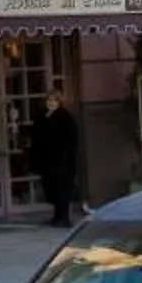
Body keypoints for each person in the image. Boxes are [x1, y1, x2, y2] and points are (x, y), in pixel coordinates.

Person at [37, 88, 79, 226]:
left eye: (54, 100)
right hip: (50, 161)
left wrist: (64, 159)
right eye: (49, 100)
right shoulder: (44, 116)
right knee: (53, 190)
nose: (51, 103)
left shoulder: (65, 117)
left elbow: (70, 140)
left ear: (59, 102)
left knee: (63, 191)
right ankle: (57, 216)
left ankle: (64, 218)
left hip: (63, 161)